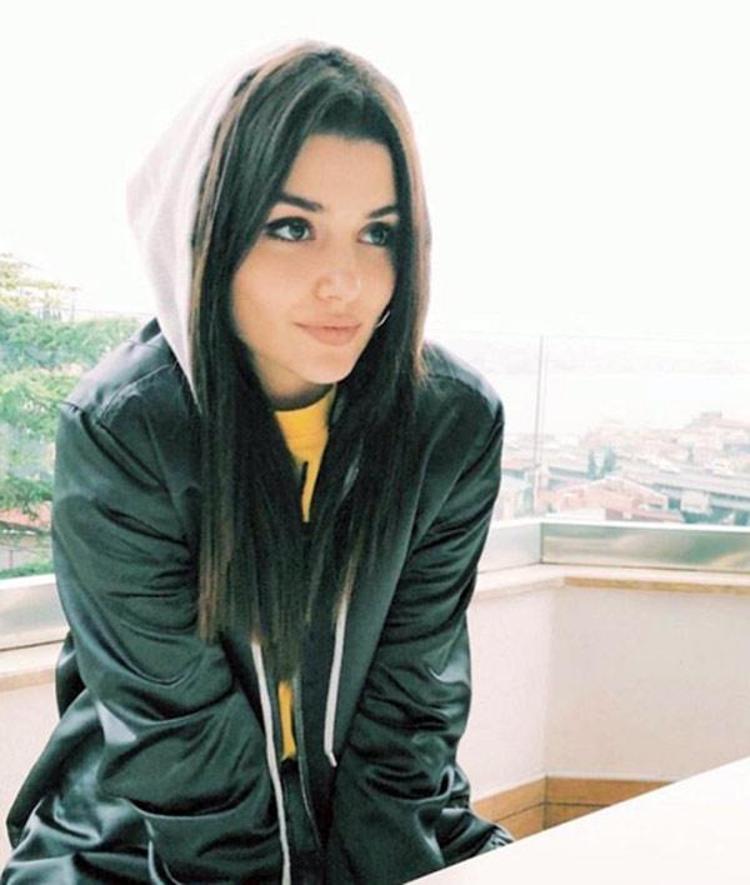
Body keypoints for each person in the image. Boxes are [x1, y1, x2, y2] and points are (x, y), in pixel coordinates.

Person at [2, 39, 513, 884]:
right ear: (207, 230)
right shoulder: (126, 430)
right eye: (293, 228)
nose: (345, 281)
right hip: (141, 832)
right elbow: (176, 739)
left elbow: (411, 711)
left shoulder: (449, 424)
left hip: (368, 820)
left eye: (378, 233)